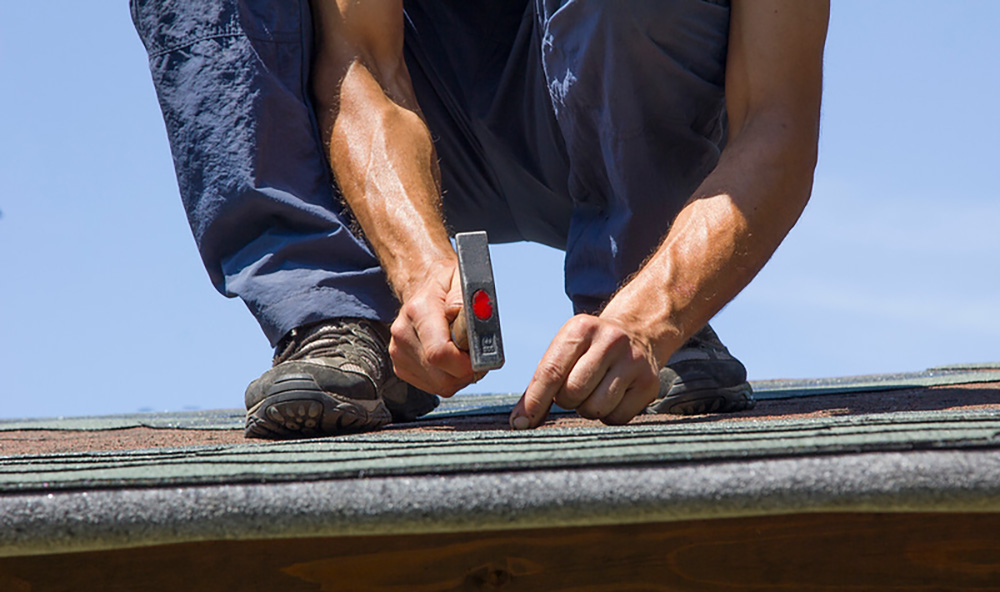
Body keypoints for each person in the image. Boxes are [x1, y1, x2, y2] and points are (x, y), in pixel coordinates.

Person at [131, 0, 828, 438]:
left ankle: (633, 314)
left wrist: (654, 317)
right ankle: (335, 318)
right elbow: (361, 64)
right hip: (413, 132)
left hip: (603, 108)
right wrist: (422, 269)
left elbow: (778, 124)